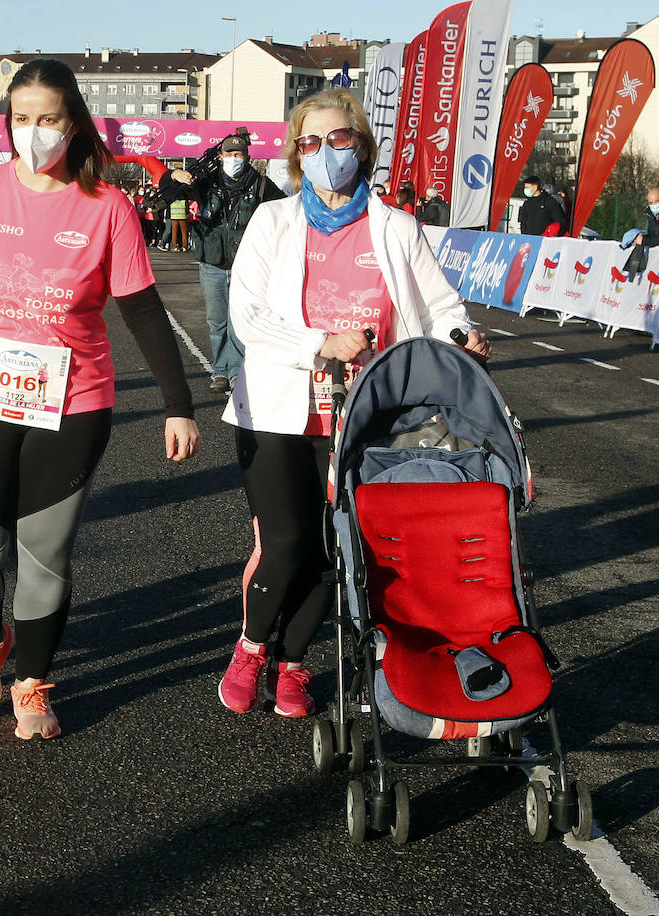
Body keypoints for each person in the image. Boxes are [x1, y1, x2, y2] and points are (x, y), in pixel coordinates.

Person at [0, 58, 200, 740]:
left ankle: (34, 683)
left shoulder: (106, 206)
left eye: (48, 119)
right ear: (6, 123)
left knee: (44, 554)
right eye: (21, 119)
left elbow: (143, 309)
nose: (34, 132)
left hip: (72, 403)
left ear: (73, 124)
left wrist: (177, 403)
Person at [217, 88, 490, 718]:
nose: (325, 153)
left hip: (366, 414)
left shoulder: (396, 228)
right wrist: (321, 343)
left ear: (361, 147)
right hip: (278, 410)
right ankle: (251, 647)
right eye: (310, 143)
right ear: (296, 155)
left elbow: (439, 306)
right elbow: (247, 317)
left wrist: (462, 335)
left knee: (335, 548)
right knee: (285, 542)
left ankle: (291, 663)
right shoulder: (273, 221)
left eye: (338, 139)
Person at [166, 133, 286, 393]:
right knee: (216, 320)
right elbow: (170, 192)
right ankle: (220, 371)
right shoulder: (205, 183)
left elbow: (283, 214)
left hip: (248, 265)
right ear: (220, 157)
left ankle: (237, 372)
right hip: (212, 263)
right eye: (229, 154)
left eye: (239, 154)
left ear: (247, 157)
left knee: (241, 319)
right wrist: (174, 174)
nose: (234, 159)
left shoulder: (264, 186)